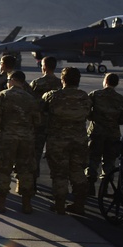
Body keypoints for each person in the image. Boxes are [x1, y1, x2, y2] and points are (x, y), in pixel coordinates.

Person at [0, 70, 41, 213]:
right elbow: (38, 121)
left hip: (7, 138)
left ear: (12, 80)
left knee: (3, 169)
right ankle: (27, 204)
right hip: (26, 139)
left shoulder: (3, 95)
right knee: (26, 170)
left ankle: (1, 201)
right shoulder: (30, 98)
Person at [42, 67, 92, 215]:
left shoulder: (52, 96)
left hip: (58, 141)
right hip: (79, 140)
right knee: (78, 171)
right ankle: (79, 204)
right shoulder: (85, 97)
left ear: (62, 80)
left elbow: (41, 113)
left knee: (59, 173)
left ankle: (59, 204)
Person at [87, 73, 123, 187]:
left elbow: (85, 109)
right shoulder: (121, 99)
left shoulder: (95, 94)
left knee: (93, 159)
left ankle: (90, 183)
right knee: (109, 162)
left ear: (105, 81)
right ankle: (105, 185)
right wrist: (114, 121)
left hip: (96, 132)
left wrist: (93, 117)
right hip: (113, 134)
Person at [30, 56, 62, 180]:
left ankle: (33, 180)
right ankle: (57, 182)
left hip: (39, 124)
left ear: (44, 67)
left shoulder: (37, 83)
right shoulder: (60, 83)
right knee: (56, 155)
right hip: (56, 125)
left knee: (36, 153)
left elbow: (30, 102)